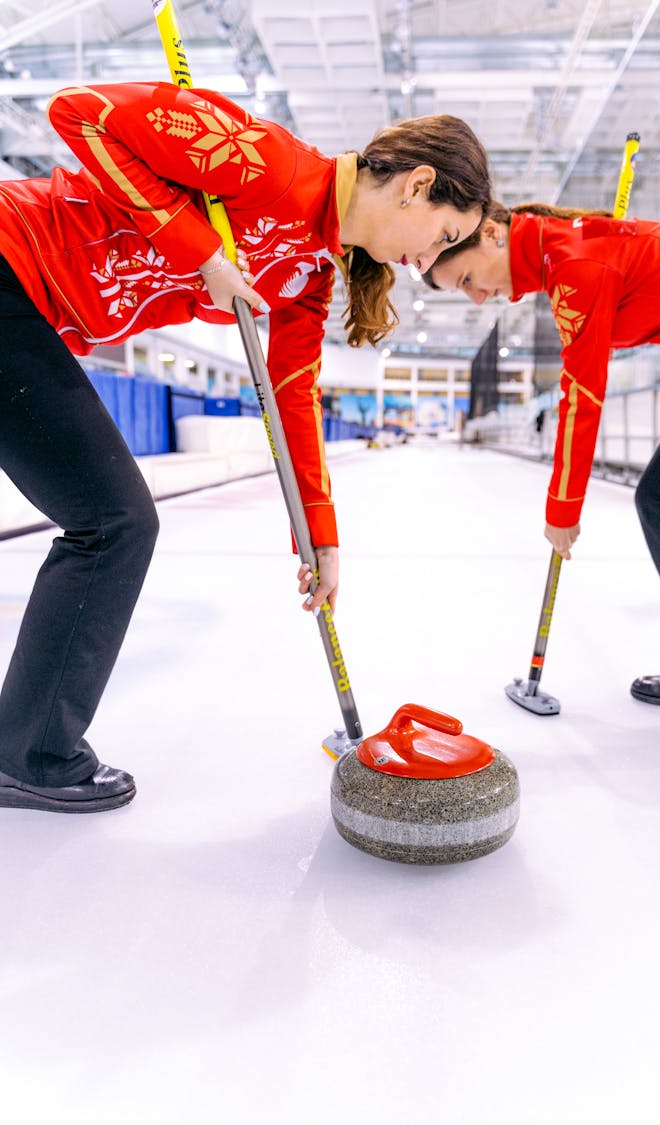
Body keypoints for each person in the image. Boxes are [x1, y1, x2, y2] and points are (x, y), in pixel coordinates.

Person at [0, 81, 491, 813]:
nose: (431, 259)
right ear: (419, 185)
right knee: (114, 521)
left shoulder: (310, 272)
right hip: (13, 260)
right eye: (446, 234)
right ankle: (30, 752)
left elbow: (292, 397)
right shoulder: (265, 161)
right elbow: (81, 113)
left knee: (110, 519)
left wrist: (319, 539)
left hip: (32, 314)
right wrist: (198, 250)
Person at [426, 200, 660, 712]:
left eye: (467, 278)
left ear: (490, 233)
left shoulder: (575, 264)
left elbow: (582, 395)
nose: (479, 295)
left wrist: (562, 510)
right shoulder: (564, 256)